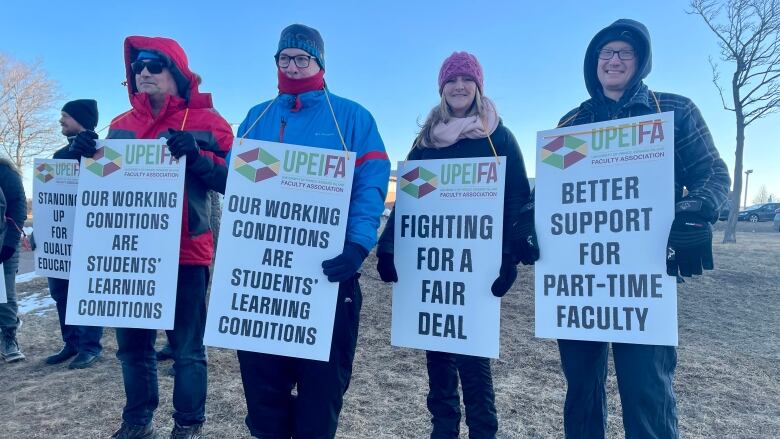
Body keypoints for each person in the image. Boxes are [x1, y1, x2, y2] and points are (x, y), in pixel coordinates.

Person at [555, 19, 730, 438]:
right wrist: (530, 217)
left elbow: (714, 173)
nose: (613, 60)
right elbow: (550, 193)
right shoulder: (571, 124)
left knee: (646, 392)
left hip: (643, 278)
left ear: (640, 61)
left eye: (624, 53)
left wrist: (693, 211)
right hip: (579, 279)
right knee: (580, 391)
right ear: (593, 63)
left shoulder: (673, 110)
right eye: (605, 53)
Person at [70, 36, 233, 439]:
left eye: (154, 64)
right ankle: (138, 421)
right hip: (131, 254)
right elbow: (101, 187)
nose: (143, 71)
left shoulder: (210, 123)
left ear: (176, 73)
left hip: (186, 251)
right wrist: (81, 155)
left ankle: (188, 425)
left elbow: (234, 181)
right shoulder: (121, 125)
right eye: (138, 66)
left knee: (187, 350)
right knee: (133, 348)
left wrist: (196, 158)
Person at [235, 24, 390, 439]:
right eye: (285, 58)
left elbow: (371, 183)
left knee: (319, 404)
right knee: (264, 406)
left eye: (302, 58)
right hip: (264, 284)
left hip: (327, 280)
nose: (293, 66)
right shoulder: (256, 117)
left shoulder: (352, 117)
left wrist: (358, 244)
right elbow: (239, 186)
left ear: (319, 62)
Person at [376, 52, 537, 439]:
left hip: (478, 264)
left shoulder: (499, 136)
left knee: (473, 360)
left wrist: (507, 255)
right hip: (434, 262)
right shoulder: (427, 139)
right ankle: (443, 429)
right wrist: (389, 244)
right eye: (452, 80)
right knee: (437, 357)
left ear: (478, 86)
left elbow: (517, 196)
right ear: (441, 88)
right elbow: (411, 196)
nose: (459, 86)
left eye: (467, 80)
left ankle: (484, 431)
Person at [41, 99, 104, 369]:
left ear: (82, 120)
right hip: (61, 235)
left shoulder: (101, 152)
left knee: (86, 290)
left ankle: (90, 346)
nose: (61, 121)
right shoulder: (57, 156)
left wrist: (85, 154)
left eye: (65, 116)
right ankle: (72, 342)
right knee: (61, 291)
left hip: (90, 234)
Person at [0, 155, 27, 363]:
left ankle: (9, 337)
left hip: (4, 242)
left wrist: (9, 243)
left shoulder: (5, 171)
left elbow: (18, 207)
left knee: (4, 293)